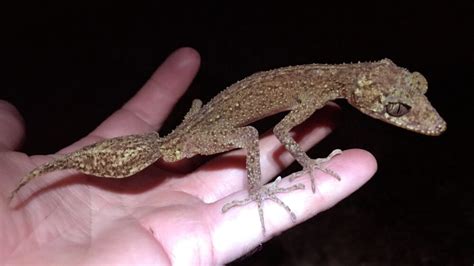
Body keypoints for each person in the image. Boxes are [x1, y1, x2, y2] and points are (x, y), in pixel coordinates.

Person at [0, 47, 376, 265]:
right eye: (393, 108)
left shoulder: (323, 78)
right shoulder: (318, 86)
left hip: (199, 124)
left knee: (214, 125)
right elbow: (277, 133)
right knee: (247, 134)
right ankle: (255, 192)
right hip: (194, 135)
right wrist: (308, 165)